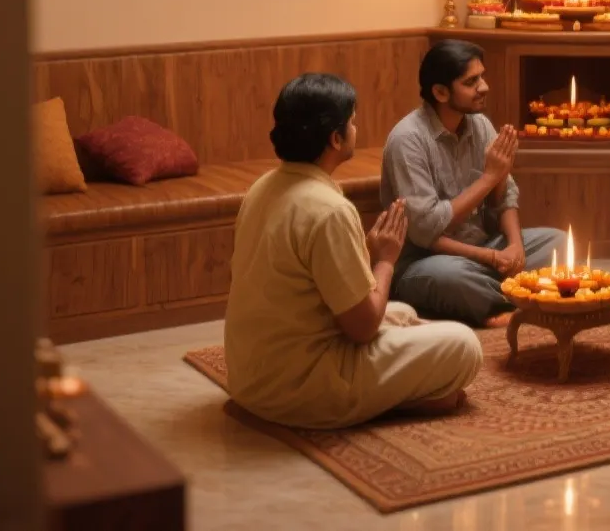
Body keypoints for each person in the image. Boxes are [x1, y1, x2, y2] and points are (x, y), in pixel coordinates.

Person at [223, 73, 481, 428]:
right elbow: (362, 328)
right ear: (335, 138)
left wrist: (367, 251)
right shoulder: (328, 209)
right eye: (353, 122)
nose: (356, 129)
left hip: (251, 379)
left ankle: (399, 389)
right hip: (298, 390)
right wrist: (386, 259)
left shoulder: (263, 187)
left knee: (403, 312)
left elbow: (307, 280)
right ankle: (401, 402)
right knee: (464, 344)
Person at [381, 40, 566, 327]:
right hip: (429, 261)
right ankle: (522, 301)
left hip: (483, 250)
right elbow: (427, 231)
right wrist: (490, 178)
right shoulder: (408, 140)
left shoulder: (479, 124)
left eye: (482, 76)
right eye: (471, 81)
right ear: (440, 92)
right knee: (453, 280)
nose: (484, 87)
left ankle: (502, 301)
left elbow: (505, 199)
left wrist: (515, 247)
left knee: (557, 243)